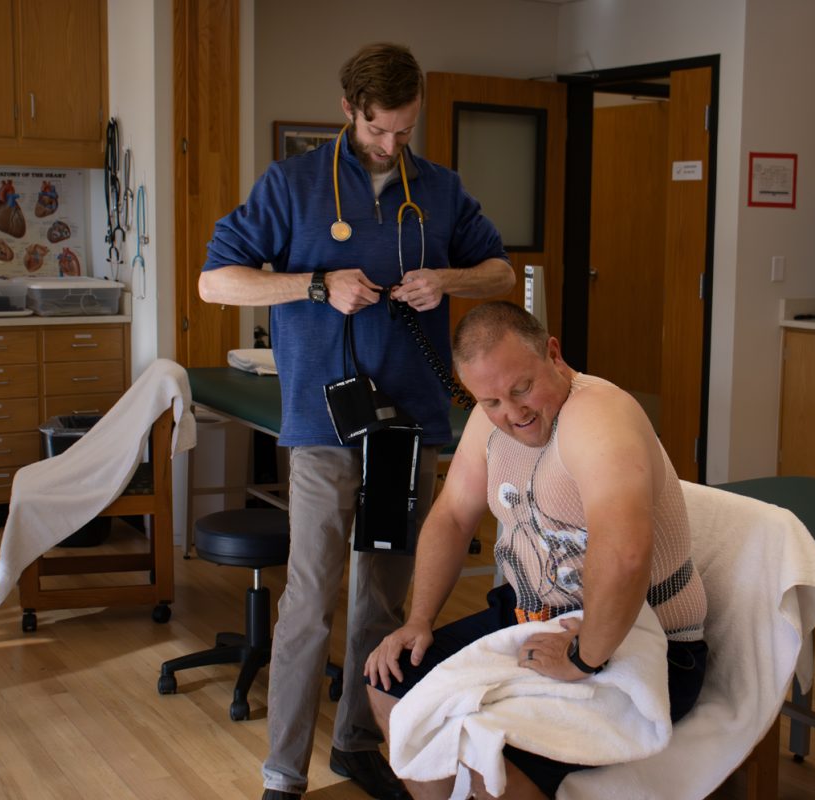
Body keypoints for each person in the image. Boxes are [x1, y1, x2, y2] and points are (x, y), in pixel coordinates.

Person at [200, 43, 515, 800]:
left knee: (383, 593)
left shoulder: (437, 189)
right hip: (323, 424)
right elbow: (217, 282)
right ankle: (282, 772)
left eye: (405, 131)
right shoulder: (293, 184)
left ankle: (354, 740)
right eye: (380, 130)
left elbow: (501, 270)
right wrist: (314, 284)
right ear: (349, 110)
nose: (391, 145)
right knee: (311, 597)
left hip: (409, 428)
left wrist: (449, 278)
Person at [364, 301, 709, 799]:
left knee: (489, 753)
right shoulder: (491, 422)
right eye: (491, 402)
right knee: (389, 682)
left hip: (642, 640)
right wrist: (419, 619)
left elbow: (626, 553)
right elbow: (453, 516)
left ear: (553, 353)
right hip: (531, 617)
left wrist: (585, 657)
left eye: (521, 389)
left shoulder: (597, 418)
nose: (513, 413)